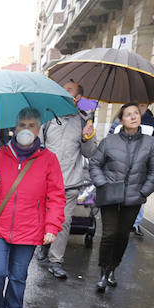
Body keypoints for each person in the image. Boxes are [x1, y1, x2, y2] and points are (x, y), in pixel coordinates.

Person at [0, 108, 65, 308]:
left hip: (29, 229)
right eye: (22, 125)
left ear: (39, 129)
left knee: (18, 276)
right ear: (15, 129)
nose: (26, 130)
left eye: (31, 126)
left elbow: (56, 197)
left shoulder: (48, 160)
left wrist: (52, 227)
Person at [88, 102, 154, 293]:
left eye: (136, 113)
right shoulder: (109, 141)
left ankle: (114, 267)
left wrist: (143, 191)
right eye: (128, 114)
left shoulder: (150, 143)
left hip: (134, 197)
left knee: (122, 235)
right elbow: (95, 163)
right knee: (109, 234)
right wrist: (103, 183)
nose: (133, 117)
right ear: (121, 119)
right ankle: (103, 271)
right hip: (110, 194)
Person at [37, 79, 98, 278]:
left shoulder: (83, 121)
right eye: (61, 90)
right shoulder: (47, 118)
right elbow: (38, 147)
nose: (63, 93)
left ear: (78, 97)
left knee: (63, 223)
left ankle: (56, 261)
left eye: (69, 91)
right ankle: (45, 245)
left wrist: (86, 138)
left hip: (69, 184)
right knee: (44, 219)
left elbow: (89, 153)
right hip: (46, 182)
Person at [132, 103, 154, 237]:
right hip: (124, 162)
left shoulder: (152, 121)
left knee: (140, 194)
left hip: (143, 163)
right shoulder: (125, 116)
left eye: (144, 105)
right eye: (139, 104)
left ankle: (135, 224)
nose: (141, 108)